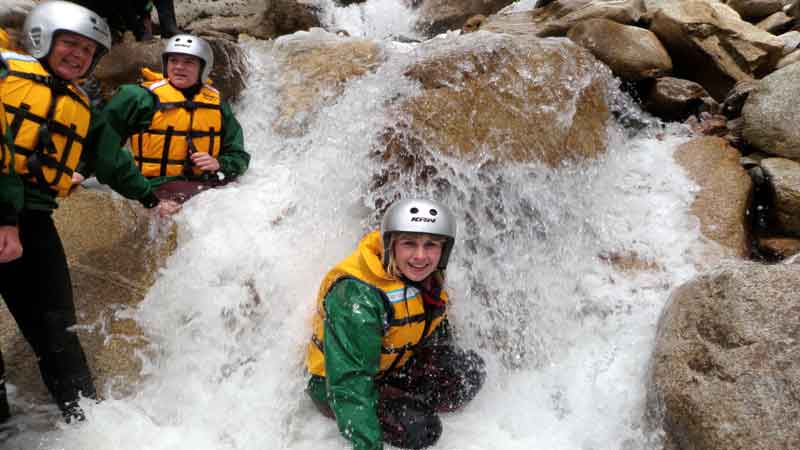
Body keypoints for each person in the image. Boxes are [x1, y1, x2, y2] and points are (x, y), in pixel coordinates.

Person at [0, 1, 179, 423]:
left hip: (35, 221)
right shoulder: (7, 77)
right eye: (70, 44)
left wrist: (151, 200)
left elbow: (111, 161)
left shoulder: (82, 108)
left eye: (87, 50)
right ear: (43, 39)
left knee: (59, 328)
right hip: (5, 214)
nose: (78, 55)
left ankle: (85, 425)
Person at [305, 198, 486, 450]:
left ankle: (395, 396)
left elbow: (431, 325)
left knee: (467, 372)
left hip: (389, 365)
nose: (420, 256)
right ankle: (385, 405)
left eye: (431, 245)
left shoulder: (423, 274)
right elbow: (349, 380)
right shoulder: (357, 295)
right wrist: (366, 445)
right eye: (409, 243)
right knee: (422, 429)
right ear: (391, 245)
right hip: (335, 383)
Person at [99, 34, 249, 203]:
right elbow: (102, 143)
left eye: (188, 62)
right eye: (173, 61)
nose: (179, 67)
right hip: (153, 186)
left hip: (206, 185)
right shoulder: (138, 96)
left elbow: (239, 156)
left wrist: (219, 164)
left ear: (203, 68)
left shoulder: (217, 104)